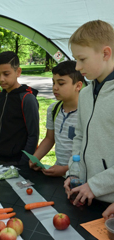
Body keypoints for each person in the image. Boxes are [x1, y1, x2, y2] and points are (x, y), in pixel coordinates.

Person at [63, 20, 114, 206]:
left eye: (82, 59)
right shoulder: (84, 94)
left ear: (105, 53)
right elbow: (79, 136)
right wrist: (73, 173)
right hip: (84, 194)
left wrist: (95, 185)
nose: (77, 67)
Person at [29, 60, 86, 177]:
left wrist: (66, 169)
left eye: (61, 84)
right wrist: (35, 158)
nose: (55, 88)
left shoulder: (87, 112)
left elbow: (90, 152)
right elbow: (50, 138)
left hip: (80, 177)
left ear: (78, 86)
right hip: (58, 173)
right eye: (53, 83)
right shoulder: (53, 109)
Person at [0, 51, 39, 166]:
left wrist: (24, 163)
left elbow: (33, 135)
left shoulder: (27, 99)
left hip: (17, 162)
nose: (1, 79)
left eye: (6, 74)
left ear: (18, 72)